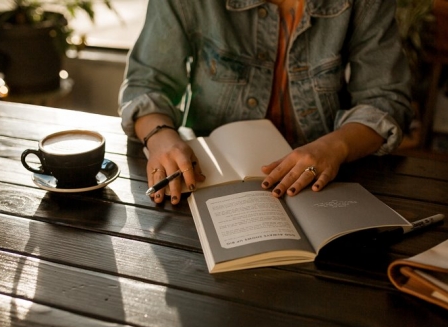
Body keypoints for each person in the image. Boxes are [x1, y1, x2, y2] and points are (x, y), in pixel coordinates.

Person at [119, 0, 413, 205]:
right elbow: (148, 81)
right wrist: (162, 138)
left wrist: (334, 147)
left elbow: (385, 99)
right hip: (208, 179)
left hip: (324, 183)